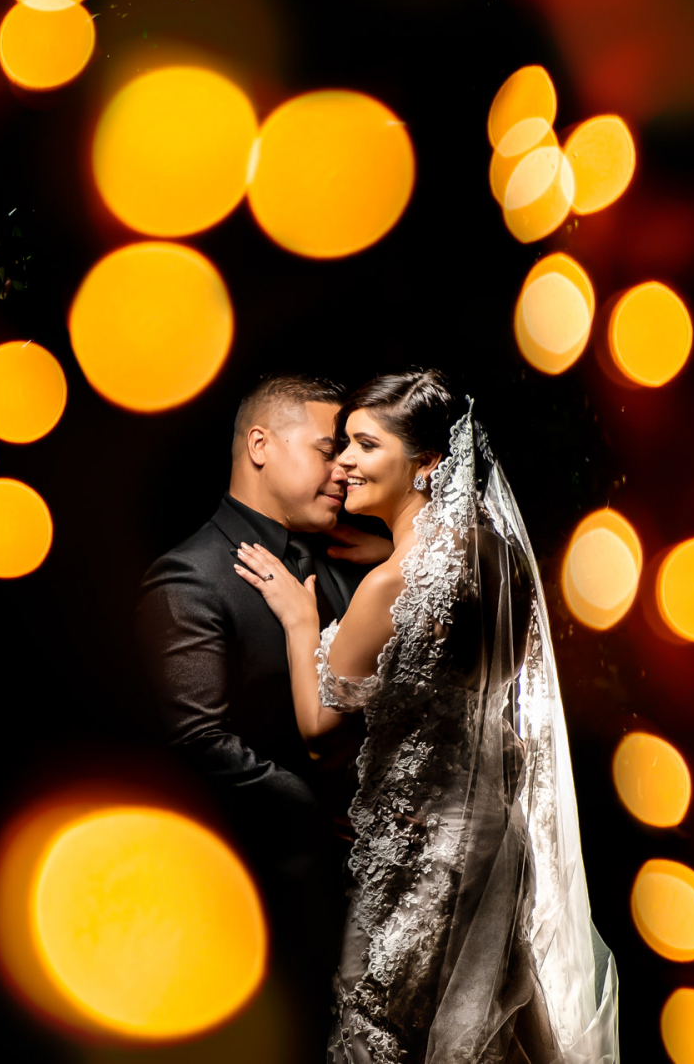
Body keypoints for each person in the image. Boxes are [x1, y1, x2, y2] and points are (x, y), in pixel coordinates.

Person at [232, 370, 618, 1064]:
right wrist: (393, 548)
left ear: (428, 464)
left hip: (412, 859)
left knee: (385, 1033)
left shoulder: (386, 588)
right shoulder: (499, 557)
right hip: (490, 849)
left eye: (365, 446)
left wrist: (299, 621)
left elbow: (322, 733)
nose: (342, 462)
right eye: (342, 443)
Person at [134, 373, 395, 1061]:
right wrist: (317, 809)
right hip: (267, 909)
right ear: (259, 444)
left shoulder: (350, 568)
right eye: (325, 448)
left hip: (375, 900)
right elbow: (194, 741)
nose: (343, 470)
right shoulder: (188, 579)